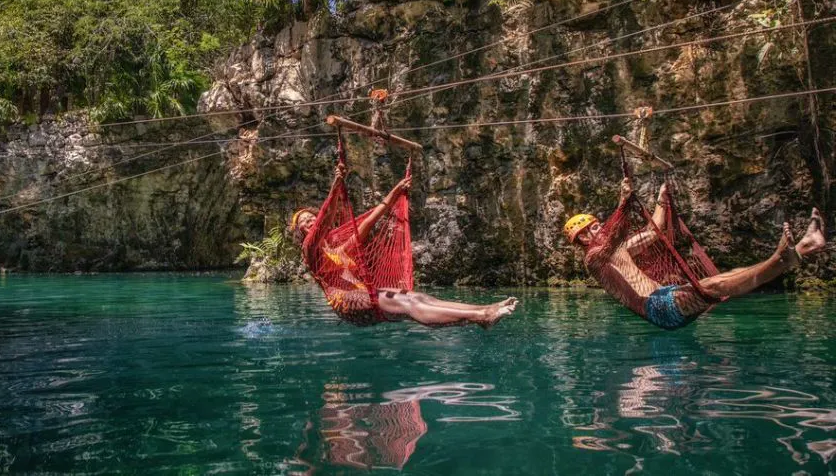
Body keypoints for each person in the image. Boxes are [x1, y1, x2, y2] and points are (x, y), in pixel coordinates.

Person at [564, 177, 828, 329]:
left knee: (730, 275)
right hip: (658, 309)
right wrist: (624, 202)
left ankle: (803, 248)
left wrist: (661, 199)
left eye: (597, 224)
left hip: (666, 295)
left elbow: (654, 231)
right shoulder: (593, 260)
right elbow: (614, 237)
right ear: (583, 239)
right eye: (592, 229)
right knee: (711, 286)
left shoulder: (620, 248)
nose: (598, 228)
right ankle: (784, 258)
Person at [292, 166, 517, 328]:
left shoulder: (340, 251)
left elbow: (370, 220)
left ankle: (483, 310)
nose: (308, 221)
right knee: (408, 303)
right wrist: (336, 185)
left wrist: (396, 191)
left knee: (419, 297)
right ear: (300, 231)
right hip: (346, 303)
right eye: (303, 222)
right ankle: (481, 317)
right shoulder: (309, 250)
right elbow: (324, 219)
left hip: (364, 295)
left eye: (310, 217)